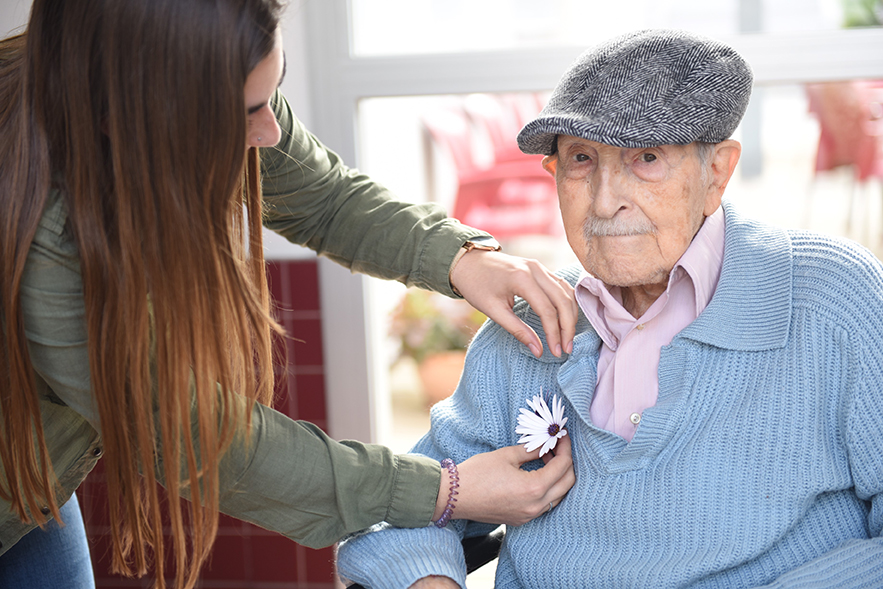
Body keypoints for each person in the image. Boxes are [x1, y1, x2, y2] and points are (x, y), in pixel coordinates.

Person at [0, 1, 578, 588]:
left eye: (271, 93)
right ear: (133, 117)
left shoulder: (190, 75)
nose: (271, 133)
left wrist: (462, 258)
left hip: (33, 486)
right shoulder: (46, 233)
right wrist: (444, 491)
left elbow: (323, 197)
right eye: (250, 112)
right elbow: (191, 436)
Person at [336, 29, 883, 589]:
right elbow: (400, 504)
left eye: (646, 157)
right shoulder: (528, 325)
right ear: (554, 174)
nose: (602, 200)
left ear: (717, 171)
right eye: (581, 159)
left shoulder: (831, 300)